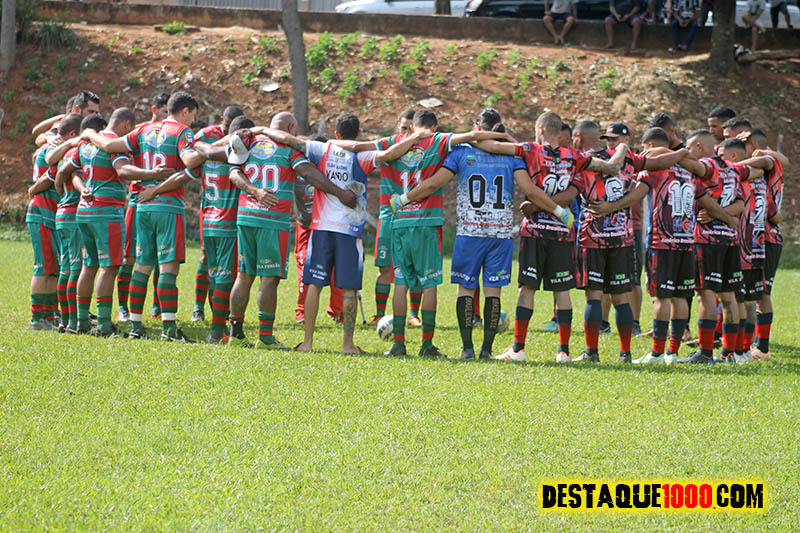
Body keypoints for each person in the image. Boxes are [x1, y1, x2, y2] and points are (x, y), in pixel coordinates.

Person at [392, 108, 574, 360]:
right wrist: (558, 210)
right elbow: (530, 190)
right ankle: (486, 350)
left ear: (477, 127)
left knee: (465, 290)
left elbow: (434, 183)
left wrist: (404, 199)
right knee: (493, 293)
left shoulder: (461, 152)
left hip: (470, 232)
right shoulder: (512, 156)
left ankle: (467, 348)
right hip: (500, 235)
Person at [259, 114, 422, 353]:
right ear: (358, 133)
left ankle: (307, 343)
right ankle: (347, 345)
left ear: (336, 133)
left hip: (321, 229)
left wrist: (262, 129)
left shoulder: (321, 149)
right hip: (349, 231)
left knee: (314, 284)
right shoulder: (363, 156)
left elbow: (287, 139)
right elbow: (389, 154)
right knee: (349, 289)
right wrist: (416, 137)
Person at [474, 111, 629, 362]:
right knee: (562, 290)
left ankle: (519, 349)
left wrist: (483, 135)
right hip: (562, 232)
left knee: (527, 288)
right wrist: (622, 147)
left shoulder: (530, 150)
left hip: (535, 230)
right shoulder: (575, 156)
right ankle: (563, 352)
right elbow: (612, 166)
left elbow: (488, 145)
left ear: (542, 130)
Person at [590, 127, 734, 363]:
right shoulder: (690, 172)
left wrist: (611, 207)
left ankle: (657, 353)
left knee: (662, 298)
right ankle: (673, 352)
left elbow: (637, 195)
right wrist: (729, 219)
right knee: (680, 297)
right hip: (686, 241)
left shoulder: (656, 169)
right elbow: (708, 202)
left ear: (651, 146)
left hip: (662, 241)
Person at [555, 120, 687, 363]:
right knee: (620, 297)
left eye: (613, 139)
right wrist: (682, 152)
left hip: (593, 237)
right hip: (622, 237)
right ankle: (625, 353)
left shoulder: (586, 161)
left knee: (595, 296)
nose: (611, 142)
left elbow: (572, 190)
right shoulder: (630, 161)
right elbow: (659, 163)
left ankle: (592, 352)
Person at [225, 112, 358, 349]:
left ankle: (235, 334)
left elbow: (234, 172)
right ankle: (265, 337)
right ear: (291, 127)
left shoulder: (248, 142)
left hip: (245, 216)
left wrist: (254, 191)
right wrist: (339, 193)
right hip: (272, 220)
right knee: (269, 278)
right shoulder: (288, 149)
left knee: (243, 275)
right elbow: (309, 174)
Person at [83, 91, 206, 341]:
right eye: (193, 115)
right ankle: (169, 329)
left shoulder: (143, 130)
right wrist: (209, 150)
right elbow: (190, 160)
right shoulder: (183, 132)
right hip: (168, 206)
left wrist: (88, 134)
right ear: (184, 111)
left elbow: (109, 146)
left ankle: (136, 327)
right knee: (168, 268)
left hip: (142, 205)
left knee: (142, 266)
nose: (193, 121)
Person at [58, 109, 175, 336]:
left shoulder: (85, 144)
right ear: (126, 124)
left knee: (88, 266)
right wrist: (152, 173)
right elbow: (123, 170)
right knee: (109, 267)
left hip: (84, 211)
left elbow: (68, 171)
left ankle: (81, 321)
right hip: (106, 212)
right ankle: (103, 324)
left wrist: (78, 190)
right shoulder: (114, 144)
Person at [676, 131, 767, 363]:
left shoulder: (707, 165)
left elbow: (686, 163)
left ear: (699, 147)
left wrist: (674, 154)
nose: (687, 151)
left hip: (706, 240)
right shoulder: (734, 169)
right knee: (729, 297)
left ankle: (706, 353)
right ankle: (728, 353)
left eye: (689, 147)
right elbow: (741, 202)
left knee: (705, 296)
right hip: (730, 240)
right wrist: (727, 217)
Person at [116, 92, 170, 323]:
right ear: (154, 110)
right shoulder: (139, 132)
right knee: (129, 256)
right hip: (138, 200)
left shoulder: (173, 134)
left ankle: (158, 307)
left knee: (161, 257)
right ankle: (122, 307)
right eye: (165, 111)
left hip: (163, 201)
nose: (167, 116)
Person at [369, 108, 425, 328]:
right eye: (403, 128)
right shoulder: (388, 145)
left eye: (412, 129)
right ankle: (379, 314)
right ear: (397, 127)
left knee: (415, 268)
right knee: (384, 268)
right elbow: (358, 147)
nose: (408, 133)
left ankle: (413, 314)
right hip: (389, 215)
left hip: (415, 216)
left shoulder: (427, 148)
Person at [27, 113, 82, 331]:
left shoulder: (55, 143)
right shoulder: (56, 147)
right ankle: (37, 317)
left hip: (50, 213)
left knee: (52, 267)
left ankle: (49, 314)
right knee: (43, 267)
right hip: (42, 211)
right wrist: (33, 189)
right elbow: (49, 175)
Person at [190, 104, 244, 323]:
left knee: (226, 266)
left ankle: (219, 312)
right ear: (222, 119)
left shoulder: (242, 140)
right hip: (210, 208)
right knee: (206, 258)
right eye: (227, 125)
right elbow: (191, 160)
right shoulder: (205, 135)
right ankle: (198, 308)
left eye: (233, 127)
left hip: (228, 209)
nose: (230, 130)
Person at [743, 129, 788, 360]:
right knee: (752, 293)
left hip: (767, 238)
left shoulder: (766, 160)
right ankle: (752, 345)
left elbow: (772, 212)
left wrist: (727, 166)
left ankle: (761, 347)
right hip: (759, 237)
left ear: (751, 144)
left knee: (760, 294)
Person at [291, 135, 344, 326]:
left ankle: (338, 311)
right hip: (305, 226)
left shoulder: (334, 168)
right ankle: (302, 312)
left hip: (330, 225)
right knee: (305, 268)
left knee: (337, 267)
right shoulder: (298, 167)